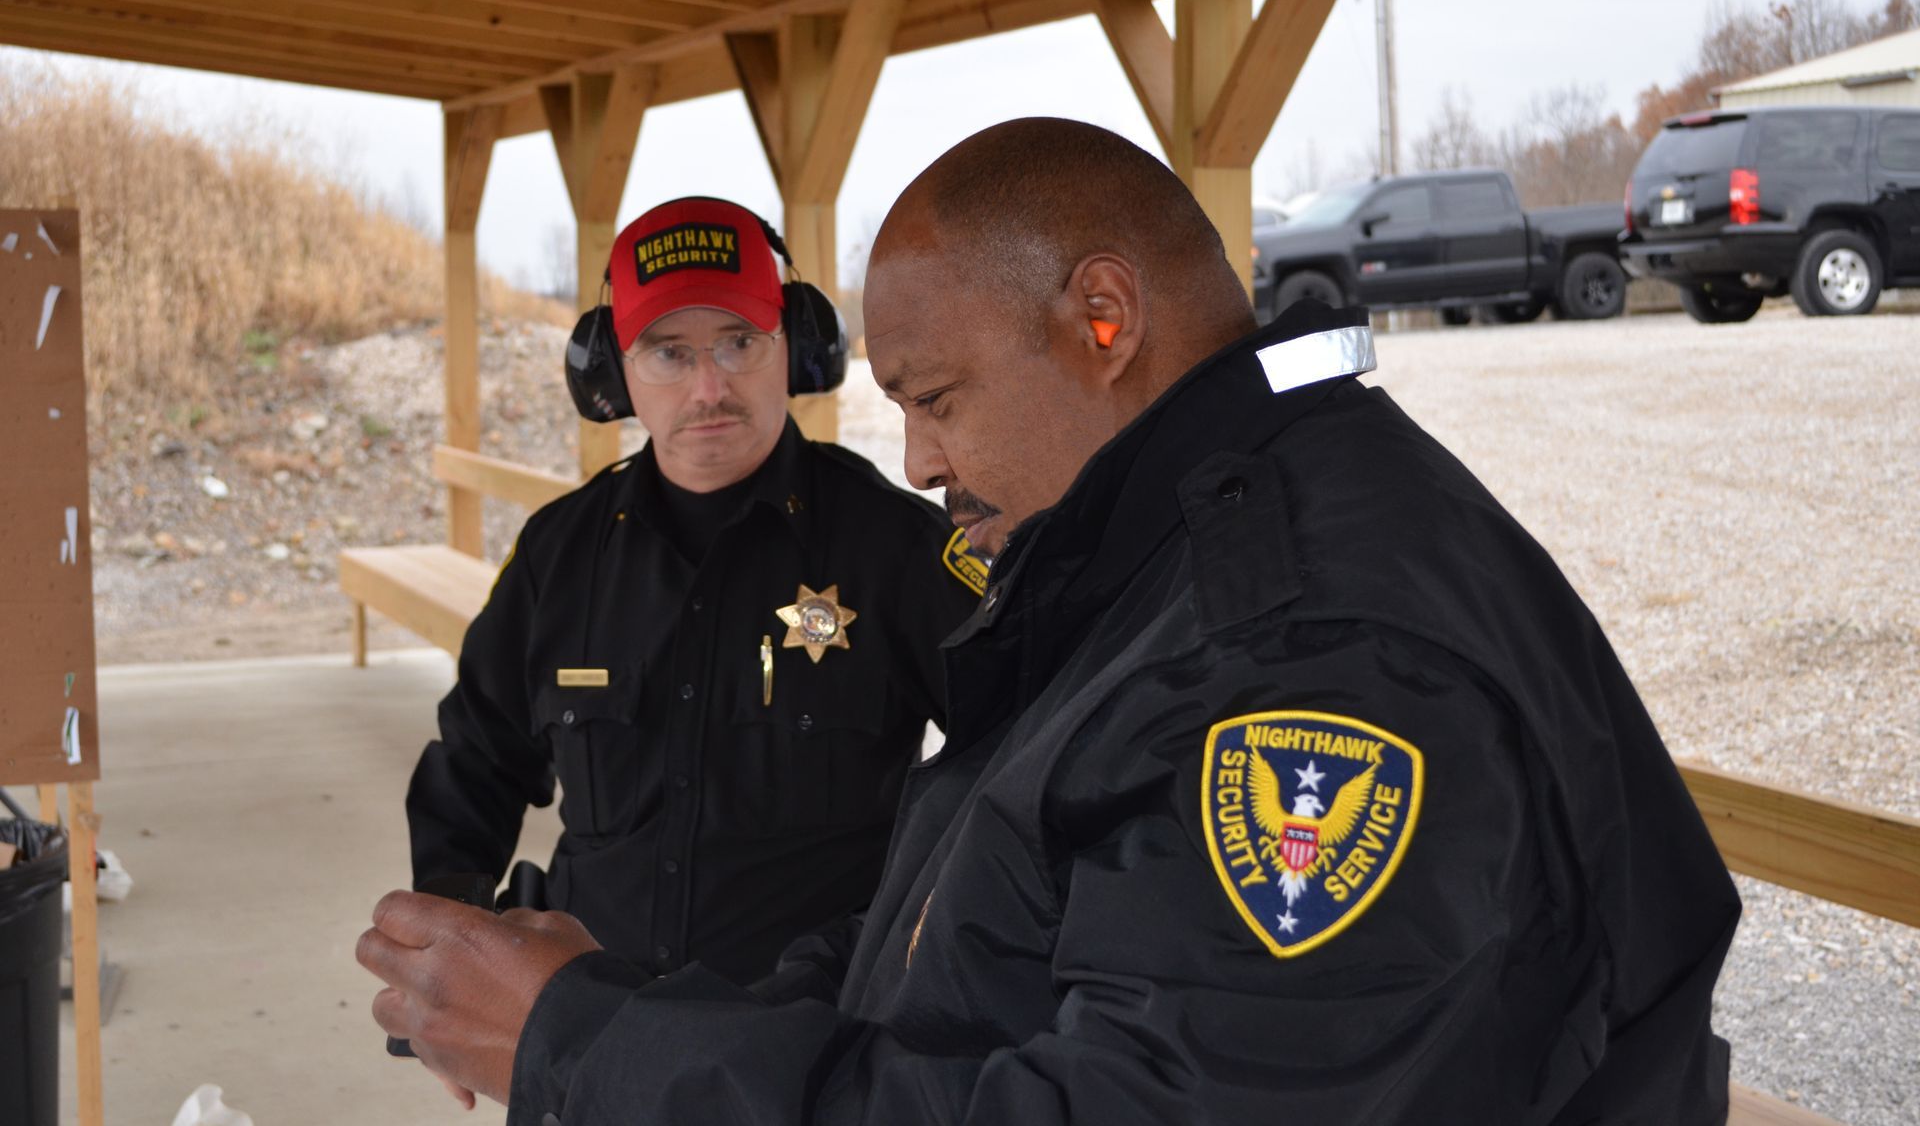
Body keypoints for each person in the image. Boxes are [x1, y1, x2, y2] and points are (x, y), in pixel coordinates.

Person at [361, 123, 1741, 1124]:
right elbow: (960, 921)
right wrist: (618, 1022)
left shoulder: (1307, 660)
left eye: (941, 398)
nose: (916, 460)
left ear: (1103, 317)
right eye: (671, 353)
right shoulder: (1148, 567)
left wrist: (594, 1046)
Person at [402, 195, 983, 991]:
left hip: (810, 1052)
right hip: (589, 1038)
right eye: (669, 353)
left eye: (740, 342)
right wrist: (447, 949)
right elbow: (477, 761)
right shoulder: (559, 554)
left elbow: (1024, 753)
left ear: (798, 348)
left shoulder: (898, 548)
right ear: (615, 373)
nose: (709, 387)